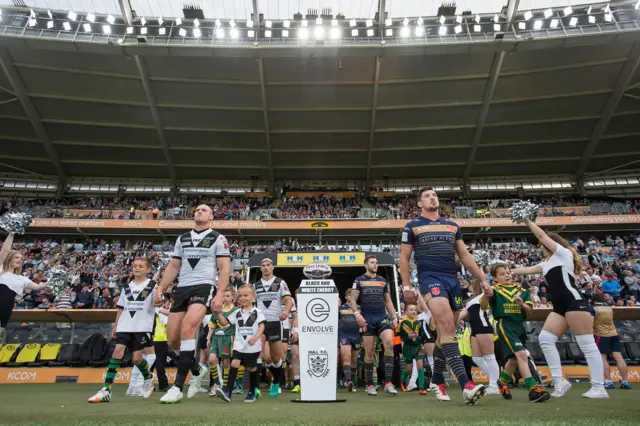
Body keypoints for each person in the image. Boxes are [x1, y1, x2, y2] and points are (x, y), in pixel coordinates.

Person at [399, 187, 488, 405]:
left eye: (435, 195)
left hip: (452, 279)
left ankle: (437, 381)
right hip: (430, 278)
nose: (433, 198)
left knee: (444, 333)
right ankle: (466, 385)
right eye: (427, 196)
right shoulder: (412, 226)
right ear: (419, 204)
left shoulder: (453, 225)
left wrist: (483, 279)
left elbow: (464, 255)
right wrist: (406, 286)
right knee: (447, 325)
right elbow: (404, 257)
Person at [512, 219, 608, 399]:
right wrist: (507, 270)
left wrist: (527, 221)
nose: (541, 246)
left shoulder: (563, 254)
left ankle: (599, 386)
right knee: (546, 339)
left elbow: (541, 235)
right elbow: (524, 270)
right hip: (560, 307)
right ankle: (559, 381)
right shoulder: (547, 263)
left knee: (587, 344)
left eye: (543, 244)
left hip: (574, 303)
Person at [153, 204, 231, 404]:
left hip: (204, 286)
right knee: (173, 340)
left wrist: (220, 293)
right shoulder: (182, 238)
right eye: (197, 210)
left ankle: (177, 387)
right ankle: (197, 368)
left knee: (188, 328)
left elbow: (224, 268)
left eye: (204, 210)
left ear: (211, 216)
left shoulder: (218, 238)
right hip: (182, 288)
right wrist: (161, 288)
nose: (199, 212)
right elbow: (174, 266)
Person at [88, 258, 158, 403]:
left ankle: (148, 377)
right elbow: (121, 308)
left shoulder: (153, 285)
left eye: (140, 266)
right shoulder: (126, 287)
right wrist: (116, 325)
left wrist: (160, 301)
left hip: (142, 326)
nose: (137, 268)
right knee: (117, 351)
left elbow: (158, 302)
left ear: (147, 270)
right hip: (125, 325)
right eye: (134, 266)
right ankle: (106, 389)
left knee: (137, 359)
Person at [480, 263, 550, 403]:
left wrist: (521, 304)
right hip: (505, 324)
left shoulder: (521, 290)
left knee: (514, 359)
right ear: (494, 277)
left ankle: (502, 381)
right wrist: (487, 297)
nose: (506, 275)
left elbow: (529, 310)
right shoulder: (494, 290)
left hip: (519, 326)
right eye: (502, 273)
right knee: (522, 355)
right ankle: (533, 389)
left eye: (508, 272)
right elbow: (483, 307)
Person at [350, 255, 399, 396]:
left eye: (376, 263)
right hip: (367, 319)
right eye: (372, 262)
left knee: (389, 343)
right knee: (369, 352)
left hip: (382, 317)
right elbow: (353, 299)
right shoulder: (359, 280)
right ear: (366, 265)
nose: (375, 265)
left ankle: (388, 383)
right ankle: (370, 384)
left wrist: (394, 316)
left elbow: (388, 302)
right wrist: (357, 314)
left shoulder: (382, 281)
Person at [215, 284, 266, 403]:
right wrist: (217, 313)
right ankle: (227, 391)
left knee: (252, 368)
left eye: (246, 295)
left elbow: (262, 325)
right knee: (234, 363)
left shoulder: (257, 312)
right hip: (239, 345)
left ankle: (252, 391)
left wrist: (256, 337)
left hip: (252, 346)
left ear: (253, 296)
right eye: (240, 296)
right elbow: (224, 323)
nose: (243, 298)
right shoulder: (236, 313)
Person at [252, 258, 293, 397]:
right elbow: (251, 304)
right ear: (261, 268)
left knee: (276, 359)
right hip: (260, 323)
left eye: (268, 265)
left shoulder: (280, 282)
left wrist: (286, 312)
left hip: (275, 322)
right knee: (262, 356)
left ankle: (276, 382)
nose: (265, 267)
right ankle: (255, 387)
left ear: (273, 267)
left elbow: (288, 300)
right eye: (263, 265)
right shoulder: (255, 285)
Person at [0, 233, 49, 334]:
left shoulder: (21, 278)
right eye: (16, 257)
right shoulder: (0, 269)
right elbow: (5, 250)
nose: (19, 260)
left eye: (21, 258)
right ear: (9, 258)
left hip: (5, 310)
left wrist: (54, 280)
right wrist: (12, 233)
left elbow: (38, 287)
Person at [459, 279, 500, 396]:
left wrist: (486, 295)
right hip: (474, 328)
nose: (470, 286)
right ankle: (495, 381)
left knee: (490, 357)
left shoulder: (485, 296)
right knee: (477, 359)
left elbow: (485, 306)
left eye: (472, 284)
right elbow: (464, 314)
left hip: (483, 326)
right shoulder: (472, 299)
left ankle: (493, 385)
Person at [591, 292, 631, 390]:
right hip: (614, 334)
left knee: (602, 357)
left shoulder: (592, 309)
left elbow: (591, 323)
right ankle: (625, 381)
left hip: (601, 335)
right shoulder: (609, 307)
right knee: (618, 357)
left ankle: (608, 381)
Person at [207, 288, 238, 396]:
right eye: (223, 296)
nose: (225, 298)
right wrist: (208, 337)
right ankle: (216, 384)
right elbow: (212, 325)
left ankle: (225, 386)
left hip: (227, 338)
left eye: (228, 296)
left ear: (233, 297)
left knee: (225, 362)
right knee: (211, 360)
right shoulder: (217, 309)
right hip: (215, 338)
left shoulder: (235, 310)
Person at [396, 304, 427, 395]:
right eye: (411, 309)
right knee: (409, 369)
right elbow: (398, 334)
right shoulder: (402, 322)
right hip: (407, 348)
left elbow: (421, 334)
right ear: (406, 312)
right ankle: (403, 381)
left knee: (420, 365)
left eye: (415, 310)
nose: (413, 311)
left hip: (418, 347)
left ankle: (421, 388)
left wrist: (422, 344)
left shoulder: (419, 322)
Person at [338, 288, 361, 392]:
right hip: (344, 336)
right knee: (346, 358)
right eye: (351, 295)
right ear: (346, 297)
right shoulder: (340, 308)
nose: (354, 297)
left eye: (355, 295)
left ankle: (353, 382)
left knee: (354, 361)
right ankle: (348, 381)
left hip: (356, 336)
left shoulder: (360, 308)